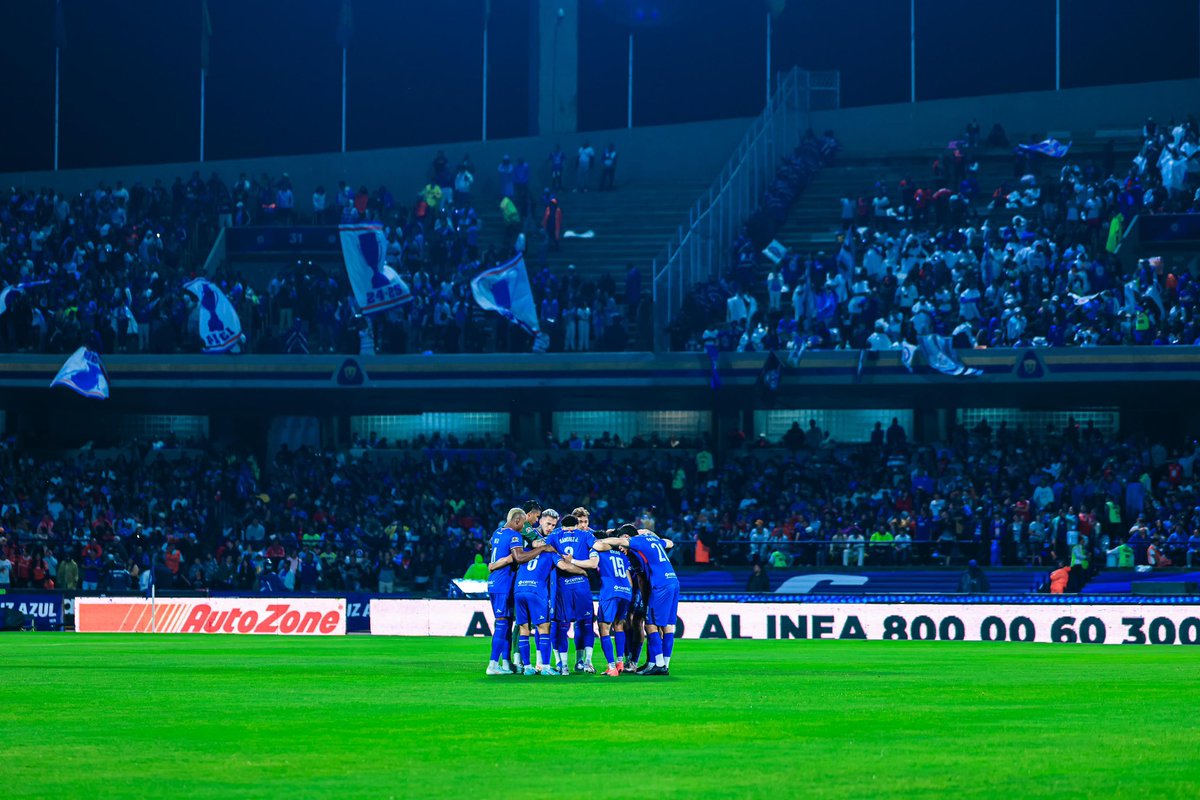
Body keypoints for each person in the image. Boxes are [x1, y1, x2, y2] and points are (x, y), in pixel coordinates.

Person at [595, 524, 677, 675]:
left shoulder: (637, 542)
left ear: (626, 538)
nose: (620, 547)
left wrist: (600, 541)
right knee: (668, 625)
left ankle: (658, 664)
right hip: (673, 581)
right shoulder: (653, 540)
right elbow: (670, 543)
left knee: (650, 624)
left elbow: (641, 578)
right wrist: (651, 533)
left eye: (621, 543)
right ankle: (661, 664)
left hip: (659, 585)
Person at [484, 507, 550, 676]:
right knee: (501, 624)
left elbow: (499, 557)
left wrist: (499, 562)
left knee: (506, 623)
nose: (523, 529)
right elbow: (519, 557)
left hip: (494, 582)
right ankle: (492, 664)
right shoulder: (514, 535)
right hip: (503, 583)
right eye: (522, 525)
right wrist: (540, 549)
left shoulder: (497, 533)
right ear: (517, 521)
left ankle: (506, 664)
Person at [512, 536, 588, 676]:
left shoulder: (527, 551)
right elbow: (564, 566)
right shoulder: (550, 553)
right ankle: (545, 666)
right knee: (544, 628)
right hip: (536, 591)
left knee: (524, 629)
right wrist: (582, 571)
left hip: (519, 590)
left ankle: (527, 667)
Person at [544, 513, 598, 673]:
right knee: (587, 624)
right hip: (582, 587)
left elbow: (546, 550)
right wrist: (583, 571)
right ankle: (586, 662)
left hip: (562, 588)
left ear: (562, 525)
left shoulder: (554, 535)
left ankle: (563, 665)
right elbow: (596, 553)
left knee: (560, 626)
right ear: (576, 524)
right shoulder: (586, 535)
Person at [588, 534, 634, 676]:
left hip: (610, 592)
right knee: (619, 625)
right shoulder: (622, 555)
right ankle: (620, 662)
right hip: (626, 592)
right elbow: (630, 580)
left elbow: (593, 565)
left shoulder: (597, 551)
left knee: (604, 628)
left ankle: (612, 667)